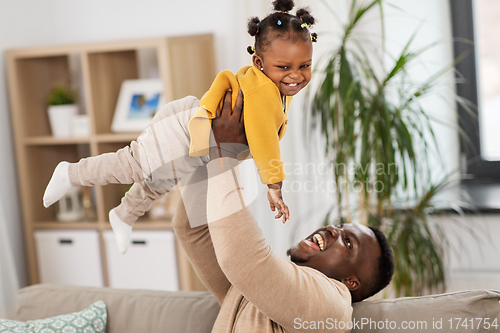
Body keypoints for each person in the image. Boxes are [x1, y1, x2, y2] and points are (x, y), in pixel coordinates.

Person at [42, 0, 318, 253]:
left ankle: (124, 215)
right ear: (259, 62)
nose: (296, 75)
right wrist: (273, 185)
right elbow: (263, 136)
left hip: (201, 143)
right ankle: (71, 173)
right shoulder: (263, 91)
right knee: (133, 164)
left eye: (304, 65)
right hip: (181, 128)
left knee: (159, 182)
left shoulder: (276, 87)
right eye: (284, 67)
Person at [173, 89, 395, 332]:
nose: (332, 229)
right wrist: (215, 147)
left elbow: (244, 261)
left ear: (350, 282)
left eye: (349, 242)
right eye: (340, 227)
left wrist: (224, 153)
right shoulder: (263, 286)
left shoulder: (333, 306)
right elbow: (192, 228)